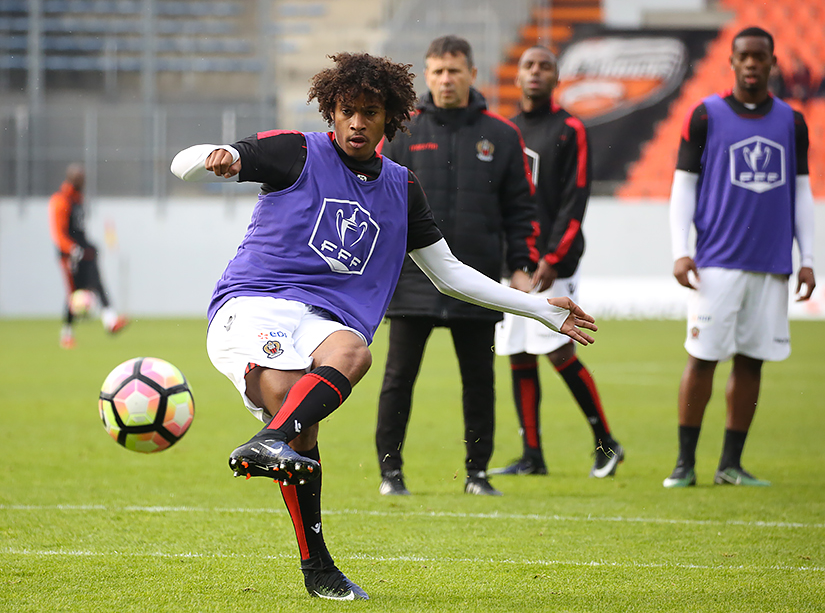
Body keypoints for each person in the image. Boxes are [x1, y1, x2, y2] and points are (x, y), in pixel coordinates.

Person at [170, 52, 597, 600]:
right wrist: (220, 155)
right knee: (296, 417)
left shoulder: (401, 187)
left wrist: (540, 308)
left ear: (390, 118)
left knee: (352, 356)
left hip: (323, 321)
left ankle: (273, 458)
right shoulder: (297, 152)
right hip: (252, 305)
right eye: (347, 111)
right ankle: (314, 554)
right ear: (331, 111)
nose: (356, 123)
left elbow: (450, 274)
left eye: (370, 113)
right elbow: (196, 160)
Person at [374, 36, 537, 498]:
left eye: (454, 71)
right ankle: (390, 474)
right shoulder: (402, 131)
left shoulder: (502, 135)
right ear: (427, 76)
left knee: (480, 381)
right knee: (398, 380)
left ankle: (477, 474)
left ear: (472, 74)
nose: (446, 80)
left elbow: (520, 209)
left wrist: (521, 266)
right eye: (438, 72)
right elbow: (377, 201)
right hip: (412, 280)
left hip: (477, 279)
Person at [665, 27, 815, 488]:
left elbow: (802, 192)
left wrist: (807, 257)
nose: (751, 63)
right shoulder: (704, 115)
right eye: (744, 56)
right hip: (716, 264)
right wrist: (681, 251)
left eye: (759, 57)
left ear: (772, 63)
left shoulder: (792, 122)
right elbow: (683, 186)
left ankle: (730, 465)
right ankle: (684, 464)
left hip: (771, 264)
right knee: (702, 359)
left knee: (752, 362)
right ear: (731, 61)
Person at [490, 46, 624, 479]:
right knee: (517, 352)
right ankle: (532, 455)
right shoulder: (506, 131)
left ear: (556, 77)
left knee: (558, 349)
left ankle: (606, 443)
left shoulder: (570, 128)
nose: (535, 72)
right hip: (513, 264)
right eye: (528, 65)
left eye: (544, 66)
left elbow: (575, 198)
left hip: (553, 264)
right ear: (517, 77)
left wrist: (553, 256)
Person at [48, 163, 128, 349]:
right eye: (80, 178)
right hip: (70, 255)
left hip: (84, 251)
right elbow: (58, 233)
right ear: (72, 179)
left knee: (98, 283)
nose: (83, 182)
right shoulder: (60, 200)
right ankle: (67, 333)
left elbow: (80, 229)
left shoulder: (79, 199)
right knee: (73, 293)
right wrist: (72, 249)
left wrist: (90, 246)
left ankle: (110, 321)